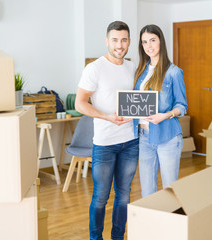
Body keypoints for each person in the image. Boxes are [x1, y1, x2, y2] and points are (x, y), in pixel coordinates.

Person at [75, 21, 139, 240]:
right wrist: (106, 117)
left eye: (123, 40)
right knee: (101, 197)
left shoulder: (133, 68)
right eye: (115, 40)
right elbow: (80, 103)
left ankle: (118, 237)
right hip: (104, 143)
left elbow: (137, 103)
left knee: (124, 196)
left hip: (131, 141)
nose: (119, 45)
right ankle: (96, 238)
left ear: (129, 42)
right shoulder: (94, 68)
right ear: (107, 41)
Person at [133, 24, 188, 197]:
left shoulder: (173, 72)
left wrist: (166, 115)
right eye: (144, 42)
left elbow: (182, 105)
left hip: (168, 137)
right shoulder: (140, 71)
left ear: (161, 42)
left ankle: (171, 223)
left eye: (152, 40)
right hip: (143, 137)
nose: (149, 46)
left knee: (170, 190)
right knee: (147, 191)